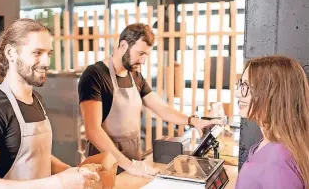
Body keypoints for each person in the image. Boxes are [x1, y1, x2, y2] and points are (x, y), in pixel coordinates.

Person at [0, 19, 101, 189]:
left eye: (48, 53)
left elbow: (39, 158)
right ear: (11, 53)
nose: (46, 62)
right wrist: (59, 182)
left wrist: (73, 173)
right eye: (37, 53)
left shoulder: (37, 100)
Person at [78, 23, 224, 178]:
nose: (142, 61)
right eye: (140, 53)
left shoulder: (135, 77)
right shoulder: (95, 75)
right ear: (123, 45)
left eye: (146, 55)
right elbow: (93, 131)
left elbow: (161, 108)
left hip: (132, 160)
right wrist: (129, 165)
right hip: (103, 164)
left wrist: (193, 121)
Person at [235, 56, 309, 189]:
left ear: (276, 96)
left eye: (249, 86)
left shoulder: (278, 160)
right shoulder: (266, 144)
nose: (238, 93)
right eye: (241, 84)